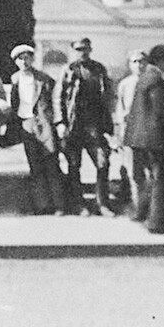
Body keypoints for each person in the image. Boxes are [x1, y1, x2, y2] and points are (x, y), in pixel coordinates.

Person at [55, 37, 116, 216]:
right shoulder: (68, 70)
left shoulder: (99, 69)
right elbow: (58, 98)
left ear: (90, 49)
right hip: (74, 124)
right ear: (74, 50)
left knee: (103, 162)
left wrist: (109, 122)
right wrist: (60, 123)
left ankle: (102, 203)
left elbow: (109, 95)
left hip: (94, 125)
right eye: (79, 49)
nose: (83, 52)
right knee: (74, 165)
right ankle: (79, 204)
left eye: (86, 49)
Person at [124, 43, 164, 235]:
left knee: (151, 178)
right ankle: (156, 223)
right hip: (154, 137)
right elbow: (159, 112)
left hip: (139, 137)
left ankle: (140, 213)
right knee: (162, 180)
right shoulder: (157, 80)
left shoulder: (145, 77)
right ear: (162, 61)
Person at [8, 44, 66, 216]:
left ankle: (59, 205)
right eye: (20, 58)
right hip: (26, 125)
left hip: (44, 124)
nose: (24, 61)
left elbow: (55, 101)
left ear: (32, 59)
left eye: (27, 57)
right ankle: (42, 205)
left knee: (51, 163)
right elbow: (14, 104)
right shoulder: (15, 79)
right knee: (35, 166)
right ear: (16, 62)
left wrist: (55, 122)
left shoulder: (44, 79)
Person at [113, 49, 149, 211]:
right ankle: (137, 205)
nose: (139, 65)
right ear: (130, 65)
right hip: (131, 133)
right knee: (133, 171)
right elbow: (120, 111)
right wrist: (120, 134)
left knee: (149, 171)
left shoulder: (152, 82)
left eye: (142, 61)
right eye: (135, 62)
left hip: (148, 133)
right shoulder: (125, 84)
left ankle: (148, 205)